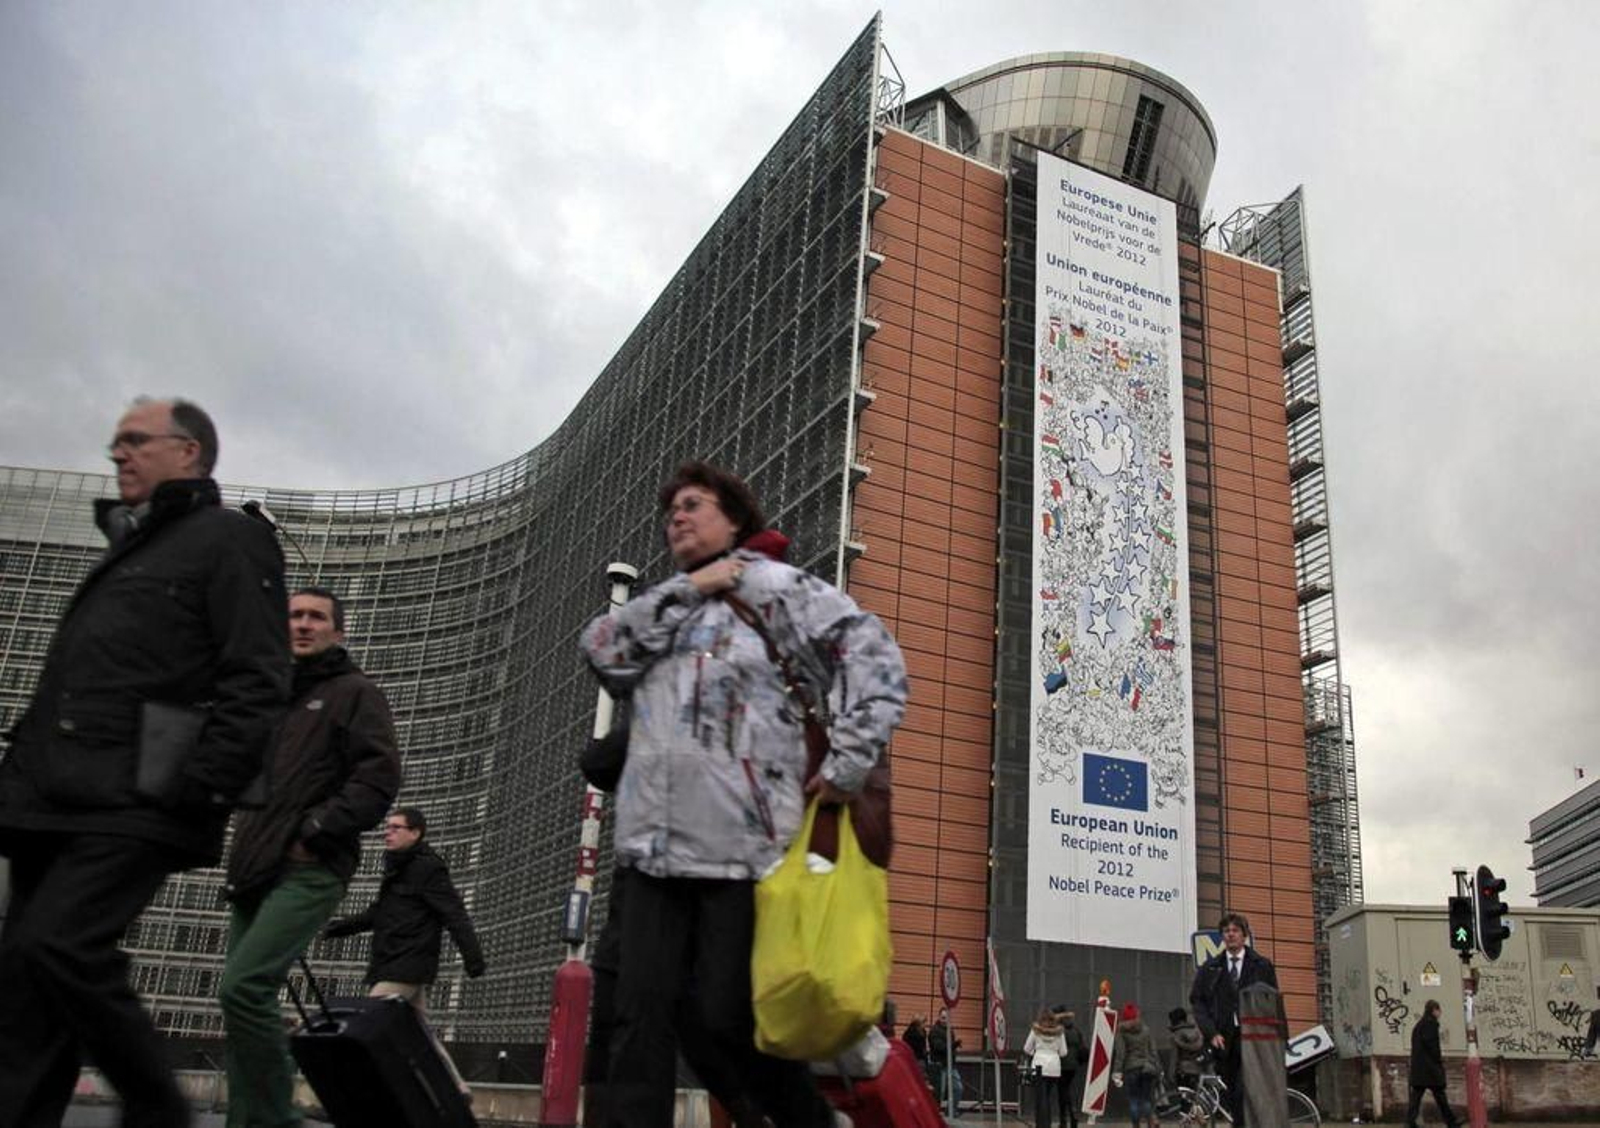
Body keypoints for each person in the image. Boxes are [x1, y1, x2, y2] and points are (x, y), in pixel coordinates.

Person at [580, 460, 908, 1126]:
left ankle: (808, 1121)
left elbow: (875, 659)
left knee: (726, 1017)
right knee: (636, 1020)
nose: (677, 515)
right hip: (651, 851)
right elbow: (603, 649)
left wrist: (847, 764)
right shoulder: (668, 606)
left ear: (734, 518)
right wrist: (686, 589)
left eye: (694, 504)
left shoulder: (778, 588)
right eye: (671, 508)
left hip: (744, 851)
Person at [0, 397, 290, 1128]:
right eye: (116, 443)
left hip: (138, 799)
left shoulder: (229, 539)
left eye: (135, 440)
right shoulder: (126, 547)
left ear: (188, 452)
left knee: (58, 946)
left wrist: (202, 785)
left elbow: (257, 674)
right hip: (48, 800)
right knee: (26, 992)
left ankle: (161, 1110)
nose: (118, 454)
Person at [219, 586, 402, 1127]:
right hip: (254, 869)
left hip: (309, 866)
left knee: (244, 987)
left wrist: (318, 828)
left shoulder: (354, 692)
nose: (303, 624)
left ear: (337, 631)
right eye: (295, 616)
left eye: (316, 617)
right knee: (238, 1007)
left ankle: (276, 1119)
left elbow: (379, 776)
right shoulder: (272, 699)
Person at [324, 807, 487, 1098]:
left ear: (415, 833)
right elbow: (378, 914)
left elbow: (455, 913)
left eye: (396, 828)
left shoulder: (428, 868)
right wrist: (335, 929)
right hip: (391, 959)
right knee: (420, 1030)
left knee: (368, 1020)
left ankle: (351, 1092)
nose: (388, 833)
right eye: (388, 827)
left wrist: (473, 959)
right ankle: (458, 1088)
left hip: (408, 962)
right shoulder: (396, 869)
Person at [1190, 912, 1280, 1127]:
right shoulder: (1210, 968)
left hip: (1252, 1039)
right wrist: (1211, 1032)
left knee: (1243, 1091)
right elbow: (1198, 1002)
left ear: (1244, 935)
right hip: (1223, 1040)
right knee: (1231, 1094)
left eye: (1235, 931)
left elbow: (1272, 1001)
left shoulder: (1261, 965)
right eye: (1226, 931)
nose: (1230, 935)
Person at [1406, 1001, 1460, 1128]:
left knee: (1417, 1097)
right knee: (1440, 1096)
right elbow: (1433, 1046)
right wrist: (1438, 1060)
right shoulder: (1431, 1025)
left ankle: (1410, 1122)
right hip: (1430, 1069)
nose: (1440, 1013)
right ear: (1433, 1010)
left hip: (1420, 1069)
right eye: (1438, 1010)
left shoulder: (1419, 1025)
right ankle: (1451, 1122)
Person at [1112, 1002, 1159, 1128]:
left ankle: (1136, 1126)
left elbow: (1121, 1054)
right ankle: (1150, 1124)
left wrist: (1117, 1072)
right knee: (1146, 1100)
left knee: (1134, 1100)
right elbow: (1153, 1050)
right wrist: (1155, 1065)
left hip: (1130, 1069)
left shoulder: (1121, 1032)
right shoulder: (1146, 1029)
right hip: (1147, 1068)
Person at [1023, 1007, 1069, 1128]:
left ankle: (1042, 1124)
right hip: (1054, 1069)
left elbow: (1026, 1049)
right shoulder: (1060, 1033)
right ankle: (1047, 1123)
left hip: (1039, 1068)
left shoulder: (1035, 1031)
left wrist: (1037, 1052)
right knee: (1047, 1098)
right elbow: (1064, 1052)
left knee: (1040, 1099)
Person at [1051, 1005, 1086, 1128]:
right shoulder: (1075, 1030)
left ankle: (1065, 1119)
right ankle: (1073, 1114)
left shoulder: (1058, 1030)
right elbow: (1082, 1048)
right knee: (1068, 1090)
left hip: (1061, 1065)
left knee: (1063, 1093)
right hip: (1073, 1066)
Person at [1167, 1006, 1205, 1091]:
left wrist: (1171, 1074)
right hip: (1197, 1068)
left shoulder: (1176, 1035)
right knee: (1195, 1097)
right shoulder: (1196, 1031)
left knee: (1184, 1097)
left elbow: (1174, 1057)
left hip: (1183, 1071)